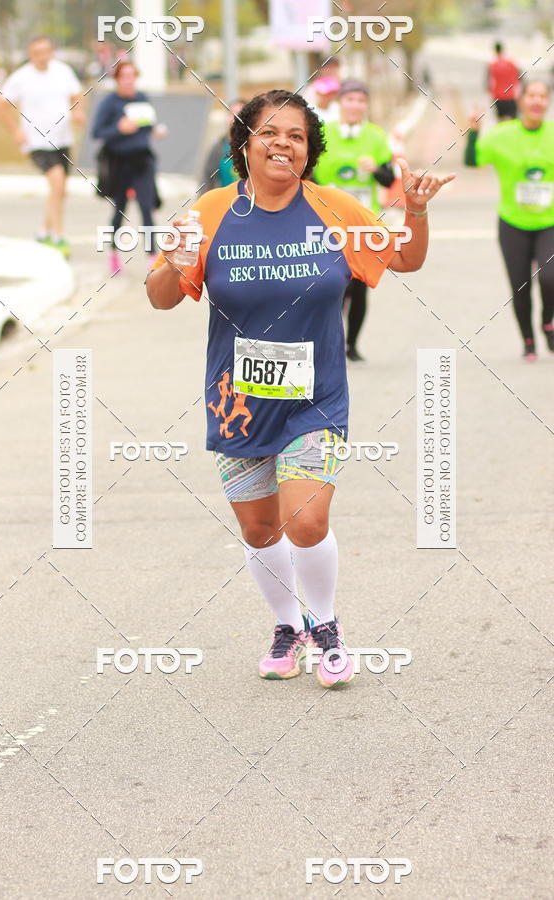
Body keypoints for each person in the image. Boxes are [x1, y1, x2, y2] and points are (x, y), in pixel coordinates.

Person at [146, 89, 454, 688]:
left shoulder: (336, 210)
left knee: (306, 521)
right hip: (238, 402)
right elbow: (161, 296)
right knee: (260, 529)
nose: (283, 143)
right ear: (245, 142)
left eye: (297, 136)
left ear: (309, 151)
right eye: (270, 132)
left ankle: (328, 624)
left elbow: (404, 260)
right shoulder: (210, 213)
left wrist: (414, 213)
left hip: (316, 400)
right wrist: (172, 260)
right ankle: (288, 627)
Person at [465, 81, 554, 360]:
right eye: (532, 96)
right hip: (513, 223)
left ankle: (547, 322)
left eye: (543, 96)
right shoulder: (502, 134)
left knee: (550, 279)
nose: (538, 101)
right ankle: (528, 340)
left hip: (549, 222)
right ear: (521, 100)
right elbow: (472, 160)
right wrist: (474, 133)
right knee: (520, 285)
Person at [314, 80, 395, 362]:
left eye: (361, 100)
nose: (355, 106)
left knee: (359, 287)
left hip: (364, 225)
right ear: (340, 103)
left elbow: (390, 179)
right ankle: (329, 342)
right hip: (328, 224)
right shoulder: (323, 133)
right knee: (333, 286)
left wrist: (375, 170)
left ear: (366, 106)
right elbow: (307, 175)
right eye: (350, 100)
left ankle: (352, 344)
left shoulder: (376, 137)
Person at [0, 36, 85, 258]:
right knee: (57, 182)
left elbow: (76, 95)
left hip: (62, 139)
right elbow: (2, 106)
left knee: (60, 190)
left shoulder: (63, 71)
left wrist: (77, 112)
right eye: (37, 52)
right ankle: (59, 237)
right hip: (36, 141)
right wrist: (15, 131)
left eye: (46, 51)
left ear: (52, 51)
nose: (42, 56)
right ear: (30, 55)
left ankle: (43, 231)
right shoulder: (21, 77)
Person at [92, 60, 167, 275]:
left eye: (132, 75)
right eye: (124, 76)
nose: (129, 80)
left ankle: (152, 256)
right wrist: (119, 128)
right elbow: (97, 132)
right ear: (117, 79)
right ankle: (113, 253)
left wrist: (156, 131)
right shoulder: (110, 103)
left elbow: (147, 125)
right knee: (120, 209)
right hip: (118, 161)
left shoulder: (142, 98)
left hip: (142, 160)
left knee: (146, 207)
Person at [199, 99, 245, 193]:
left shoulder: (256, 146)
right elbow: (207, 179)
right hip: (226, 204)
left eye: (241, 114)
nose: (237, 118)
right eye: (233, 113)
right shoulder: (219, 147)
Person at [487, 42, 519, 121]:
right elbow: (520, 78)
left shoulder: (492, 65)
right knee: (513, 123)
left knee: (501, 123)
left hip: (498, 97)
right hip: (511, 96)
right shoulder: (511, 63)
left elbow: (488, 83)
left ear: (495, 50)